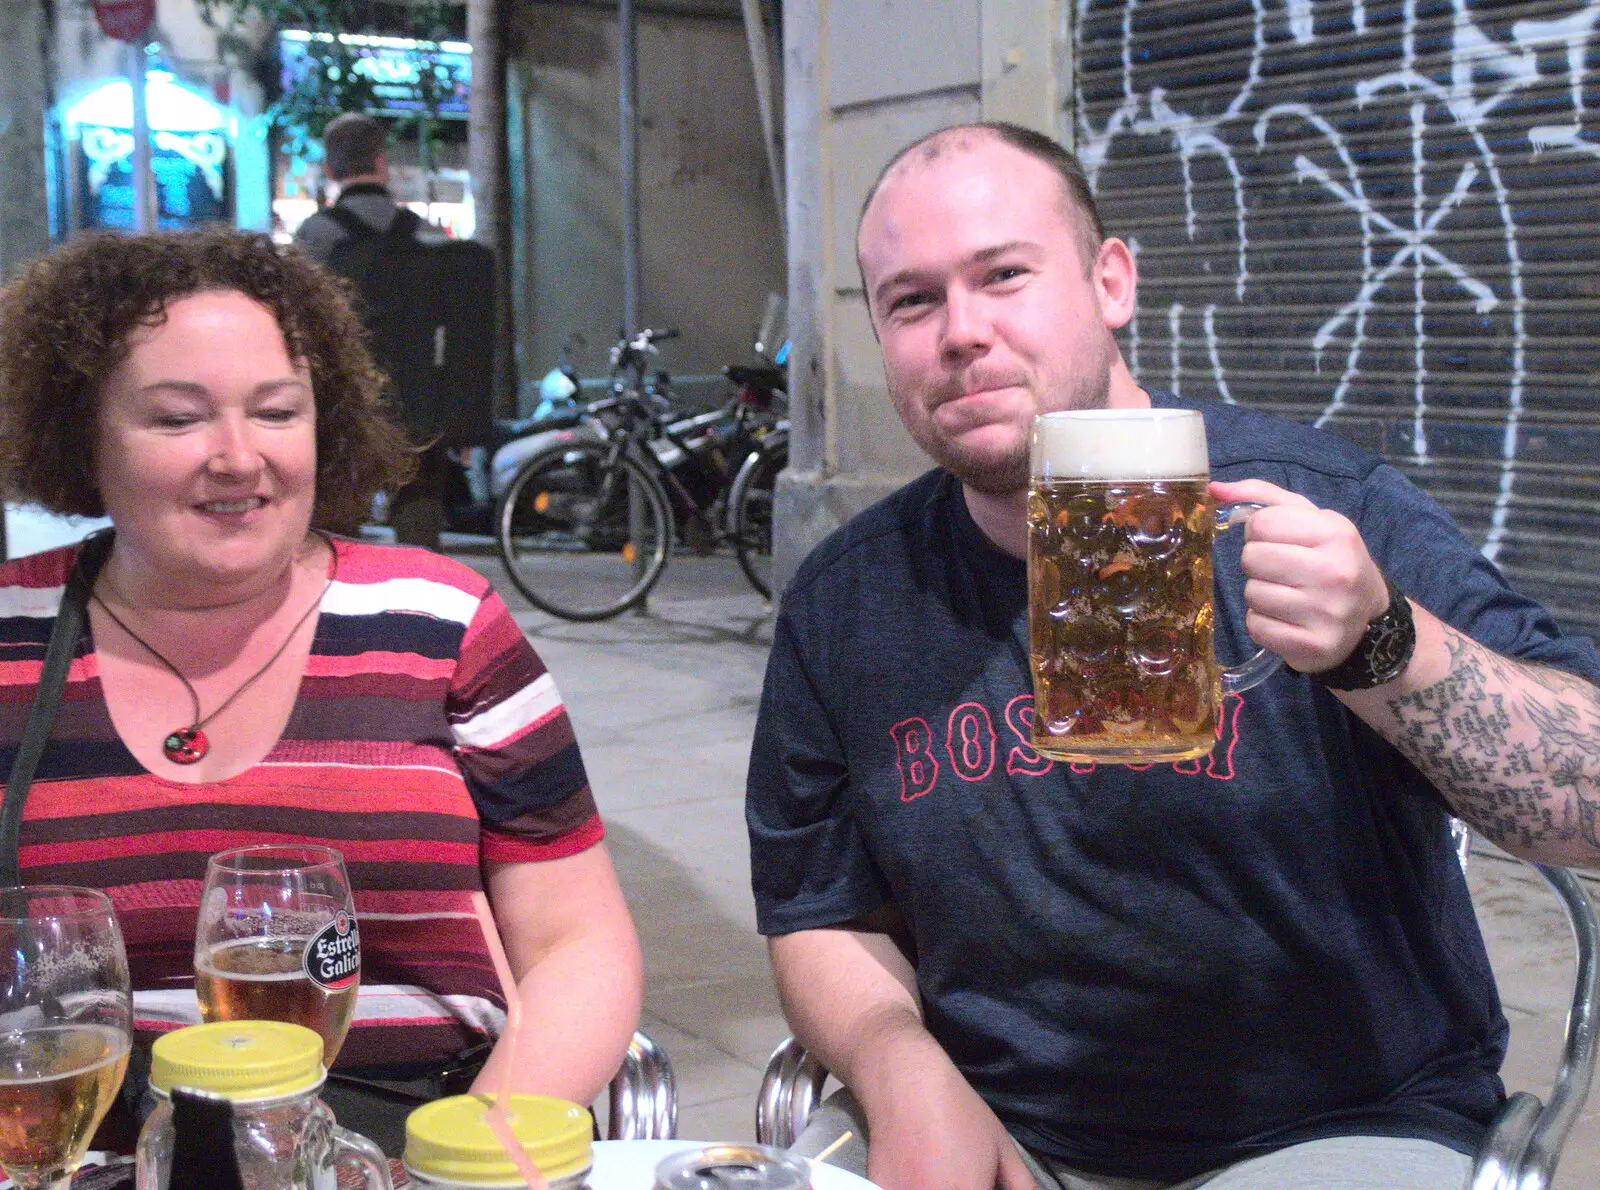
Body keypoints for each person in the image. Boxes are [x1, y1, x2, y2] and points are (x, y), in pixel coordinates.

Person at [744, 121, 1600, 1190]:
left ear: (1111, 281)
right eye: (911, 301)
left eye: (1003, 275)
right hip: (1002, 1123)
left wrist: (1384, 643)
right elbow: (818, 911)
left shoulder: (1321, 505)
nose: (961, 331)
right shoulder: (845, 602)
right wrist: (893, 1056)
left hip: (1336, 1124)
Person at [0, 228, 643, 1148]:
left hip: (417, 1139)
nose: (236, 456)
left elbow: (580, 943)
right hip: (84, 1152)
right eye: (178, 418)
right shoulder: (12, 636)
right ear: (82, 433)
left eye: (276, 411)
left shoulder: (440, 622)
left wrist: (480, 1152)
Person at [295, 111, 454, 551]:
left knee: (335, 533)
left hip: (342, 399)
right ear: (382, 164)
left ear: (329, 170)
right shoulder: (425, 235)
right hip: (418, 400)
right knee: (420, 527)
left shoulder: (314, 237)